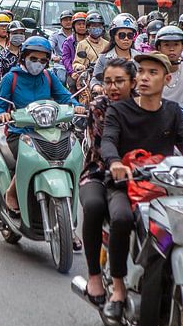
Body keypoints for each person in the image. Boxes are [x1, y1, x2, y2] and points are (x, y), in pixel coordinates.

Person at [101, 52, 183, 321]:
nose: (145, 77)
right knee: (121, 218)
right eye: (142, 72)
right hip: (126, 183)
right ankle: (117, 290)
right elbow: (109, 140)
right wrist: (115, 162)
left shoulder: (172, 111)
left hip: (165, 186)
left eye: (153, 72)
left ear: (167, 79)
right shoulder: (119, 110)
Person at [0, 36, 84, 213]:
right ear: (23, 57)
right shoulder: (11, 78)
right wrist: (1, 114)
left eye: (43, 60)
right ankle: (12, 192)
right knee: (33, 156)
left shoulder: (49, 76)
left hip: (47, 130)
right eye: (34, 59)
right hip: (19, 132)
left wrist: (77, 106)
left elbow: (64, 96)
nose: (38, 63)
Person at [80, 58, 136, 306]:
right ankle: (94, 275)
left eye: (119, 82)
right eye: (108, 82)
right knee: (94, 207)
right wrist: (118, 164)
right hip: (99, 171)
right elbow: (104, 145)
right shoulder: (99, 107)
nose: (113, 87)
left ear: (133, 82)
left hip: (140, 174)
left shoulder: (145, 104)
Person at [91, 14, 141, 92]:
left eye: (130, 35)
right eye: (122, 35)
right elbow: (95, 80)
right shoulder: (103, 58)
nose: (126, 39)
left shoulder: (139, 58)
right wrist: (98, 88)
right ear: (113, 36)